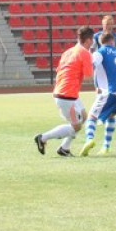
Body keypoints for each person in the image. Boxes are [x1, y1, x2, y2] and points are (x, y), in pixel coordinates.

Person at [34, 26, 95, 157]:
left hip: (65, 91)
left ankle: (64, 148)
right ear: (89, 40)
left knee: (84, 117)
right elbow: (89, 77)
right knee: (76, 126)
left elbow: (60, 71)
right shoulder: (85, 53)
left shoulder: (68, 51)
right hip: (67, 95)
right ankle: (43, 138)